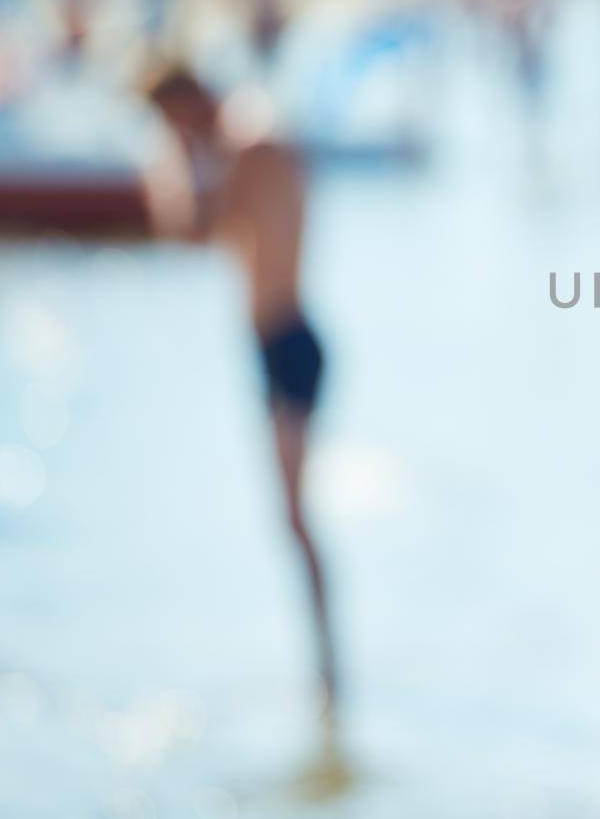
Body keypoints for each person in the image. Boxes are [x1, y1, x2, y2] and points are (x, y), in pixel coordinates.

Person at [139, 61, 348, 794]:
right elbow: (187, 231)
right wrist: (179, 153)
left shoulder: (250, 138)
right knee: (288, 518)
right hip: (269, 346)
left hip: (290, 342)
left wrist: (188, 153)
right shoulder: (230, 146)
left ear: (187, 101)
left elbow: (204, 214)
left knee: (295, 517)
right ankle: (322, 669)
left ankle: (329, 671)